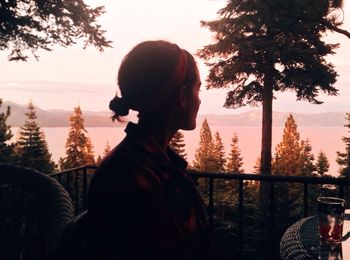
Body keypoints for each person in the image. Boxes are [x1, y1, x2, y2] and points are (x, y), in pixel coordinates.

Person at [86, 40, 216, 259]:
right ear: (182, 96)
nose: (199, 99)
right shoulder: (131, 177)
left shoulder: (148, 162)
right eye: (197, 90)